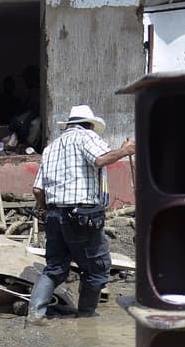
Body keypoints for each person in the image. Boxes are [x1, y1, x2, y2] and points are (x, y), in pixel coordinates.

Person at [26, 103, 135, 324]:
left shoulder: (51, 148)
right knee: (97, 268)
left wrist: (48, 211)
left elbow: (38, 189)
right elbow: (100, 159)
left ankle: (35, 314)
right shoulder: (86, 137)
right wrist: (125, 151)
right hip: (83, 213)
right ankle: (86, 317)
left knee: (55, 268)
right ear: (89, 125)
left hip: (55, 214)